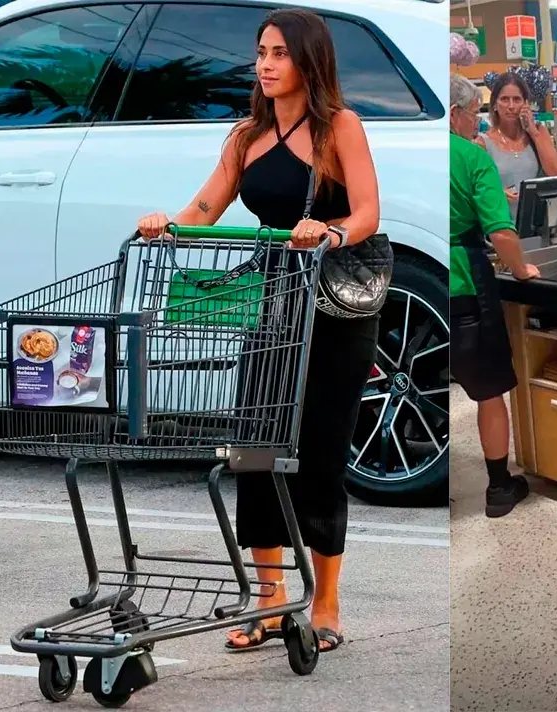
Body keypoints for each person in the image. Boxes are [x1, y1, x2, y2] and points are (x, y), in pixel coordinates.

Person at [136, 8, 379, 654]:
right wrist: (169, 222)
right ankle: (270, 598)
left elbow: (366, 212)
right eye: (260, 53)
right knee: (255, 442)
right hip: (270, 305)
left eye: (278, 53)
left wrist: (326, 231)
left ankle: (324, 602)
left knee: (321, 454)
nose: (265, 64)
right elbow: (206, 206)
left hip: (333, 306)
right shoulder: (246, 137)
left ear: (308, 61)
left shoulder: (340, 129)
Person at [449, 73, 540, 517]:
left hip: (423, 291)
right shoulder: (471, 158)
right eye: (472, 114)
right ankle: (499, 488)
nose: (475, 122)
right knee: (489, 391)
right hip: (467, 281)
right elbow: (500, 231)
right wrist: (522, 268)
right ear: (455, 114)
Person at [477, 73, 557, 218]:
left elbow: (556, 173)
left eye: (517, 99)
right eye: (504, 99)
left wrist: (532, 132)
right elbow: (477, 189)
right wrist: (496, 192)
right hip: (502, 222)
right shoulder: (483, 143)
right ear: (495, 104)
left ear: (526, 104)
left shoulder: (539, 133)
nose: (511, 106)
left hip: (536, 223)